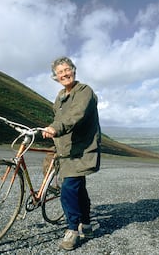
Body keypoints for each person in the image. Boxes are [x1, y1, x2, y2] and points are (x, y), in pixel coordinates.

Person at [42, 56, 101, 251]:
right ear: (55, 77)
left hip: (81, 149)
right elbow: (59, 118)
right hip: (65, 148)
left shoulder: (84, 91)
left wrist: (55, 128)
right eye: (60, 72)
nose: (64, 74)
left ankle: (72, 229)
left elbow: (77, 115)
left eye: (67, 70)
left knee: (69, 188)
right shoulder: (60, 96)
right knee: (78, 187)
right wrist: (52, 131)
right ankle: (86, 224)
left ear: (74, 71)